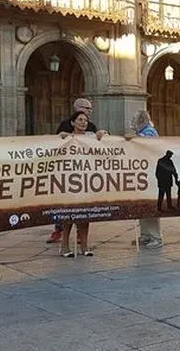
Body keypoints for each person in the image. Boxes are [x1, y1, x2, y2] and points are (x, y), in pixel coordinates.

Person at [47, 98, 98, 244]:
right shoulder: (64, 125)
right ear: (78, 108)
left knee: (83, 206)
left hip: (84, 171)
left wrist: (103, 134)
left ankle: (80, 235)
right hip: (67, 170)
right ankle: (59, 230)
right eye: (87, 108)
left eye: (90, 110)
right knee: (64, 204)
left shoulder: (92, 127)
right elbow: (55, 143)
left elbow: (98, 143)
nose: (89, 111)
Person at [57, 110, 107, 257]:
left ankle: (84, 246)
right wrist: (61, 138)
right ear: (73, 122)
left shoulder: (91, 136)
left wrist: (104, 135)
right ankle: (64, 246)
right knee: (69, 215)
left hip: (87, 179)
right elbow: (56, 144)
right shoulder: (66, 137)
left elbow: (105, 140)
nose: (83, 122)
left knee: (86, 215)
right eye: (80, 120)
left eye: (85, 120)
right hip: (70, 180)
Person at [131, 110, 164, 249]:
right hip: (142, 173)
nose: (131, 122)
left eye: (134, 119)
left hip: (150, 173)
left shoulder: (149, 132)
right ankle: (145, 234)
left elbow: (145, 146)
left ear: (140, 120)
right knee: (142, 204)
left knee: (150, 205)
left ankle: (155, 237)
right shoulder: (143, 131)